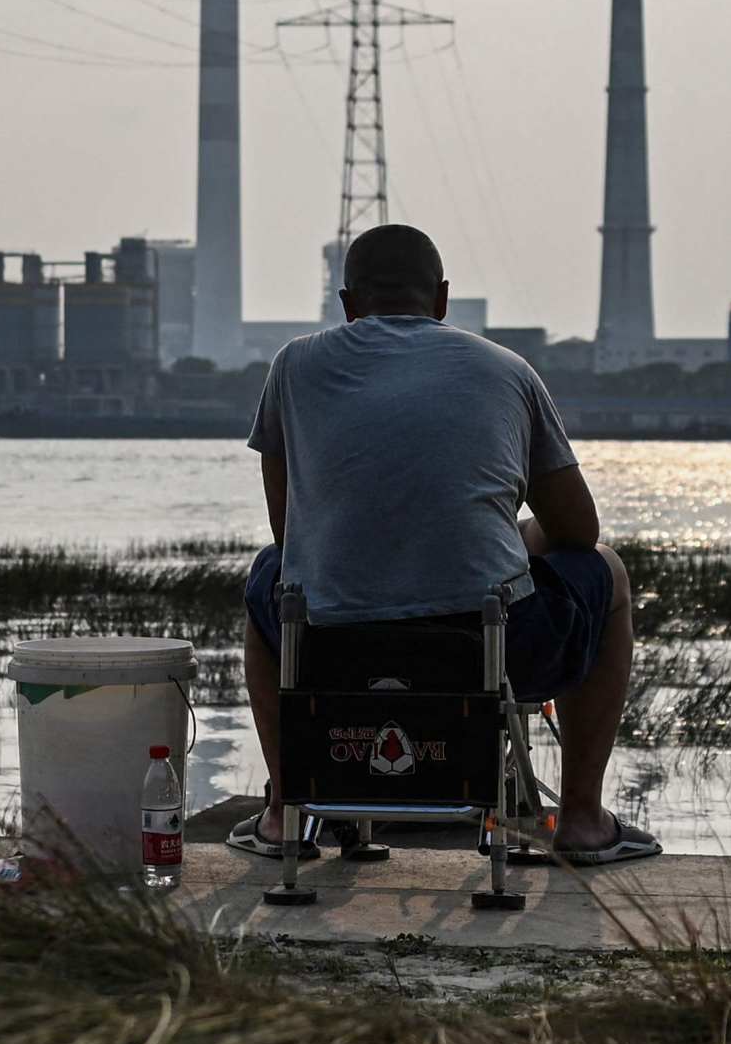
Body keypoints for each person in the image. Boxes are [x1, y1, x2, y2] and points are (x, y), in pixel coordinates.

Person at [236, 221, 657, 865]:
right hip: (488, 649)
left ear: (347, 305)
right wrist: (519, 538)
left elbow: (289, 532)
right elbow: (579, 532)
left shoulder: (293, 365)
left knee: (269, 575)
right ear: (442, 300)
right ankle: (579, 820)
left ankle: (282, 811)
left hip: (328, 651)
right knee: (607, 573)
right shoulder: (507, 371)